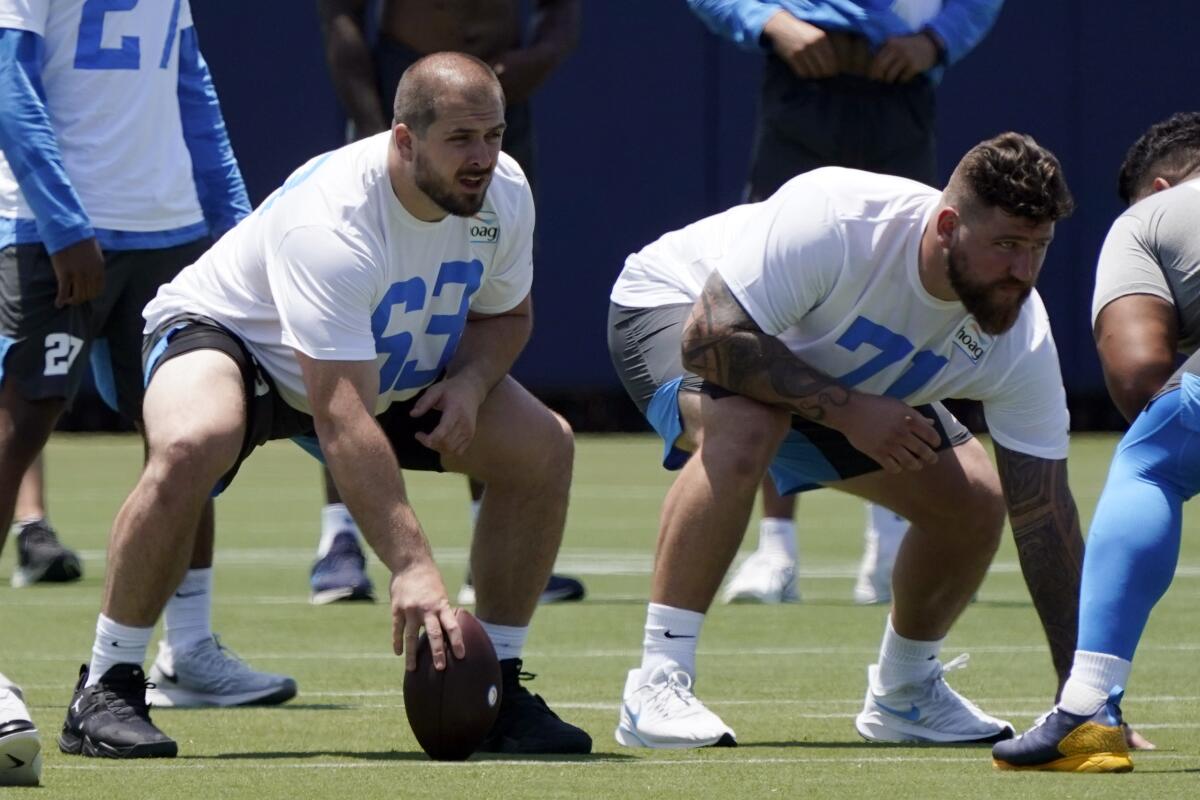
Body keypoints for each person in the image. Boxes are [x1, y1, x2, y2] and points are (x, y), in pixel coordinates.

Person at [56, 52, 591, 759]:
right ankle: (107, 682)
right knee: (193, 440)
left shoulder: (504, 193)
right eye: (460, 139)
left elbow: (507, 316)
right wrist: (411, 565)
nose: (483, 158)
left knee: (544, 447)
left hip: (381, 362)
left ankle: (496, 682)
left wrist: (468, 383)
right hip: (238, 340)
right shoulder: (334, 221)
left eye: (493, 136)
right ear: (404, 140)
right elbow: (340, 417)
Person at [607, 132, 1083, 748]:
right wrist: (850, 410)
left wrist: (1085, 697)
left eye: (1038, 248)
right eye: (1006, 246)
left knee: (974, 502)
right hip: (681, 305)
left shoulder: (1023, 337)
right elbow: (709, 339)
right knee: (749, 423)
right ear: (946, 226)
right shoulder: (839, 217)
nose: (1023, 272)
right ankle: (656, 684)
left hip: (825, 377)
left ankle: (905, 694)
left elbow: (1044, 515)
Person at [0, 0, 295, 781]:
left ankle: (188, 647)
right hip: (52, 229)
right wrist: (64, 223)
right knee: (19, 424)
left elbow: (192, 91)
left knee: (188, 429)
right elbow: (8, 82)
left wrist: (237, 229)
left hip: (171, 230)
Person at [688, 0, 1005, 606]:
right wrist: (769, 23)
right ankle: (775, 546)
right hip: (803, 84)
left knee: (910, 295)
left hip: (900, 86)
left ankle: (888, 544)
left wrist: (937, 41)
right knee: (767, 308)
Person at [313, 0, 585, 607]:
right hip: (407, 102)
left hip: (493, 98)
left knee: (474, 294)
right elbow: (341, 19)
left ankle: (493, 543)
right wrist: (373, 129)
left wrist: (533, 62)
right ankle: (340, 540)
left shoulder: (499, 161)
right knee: (359, 323)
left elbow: (563, 14)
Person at [993, 112, 1200, 772]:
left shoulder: (1155, 214)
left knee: (1154, 455)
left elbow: (1140, 378)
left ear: (1164, 184)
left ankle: (1086, 710)